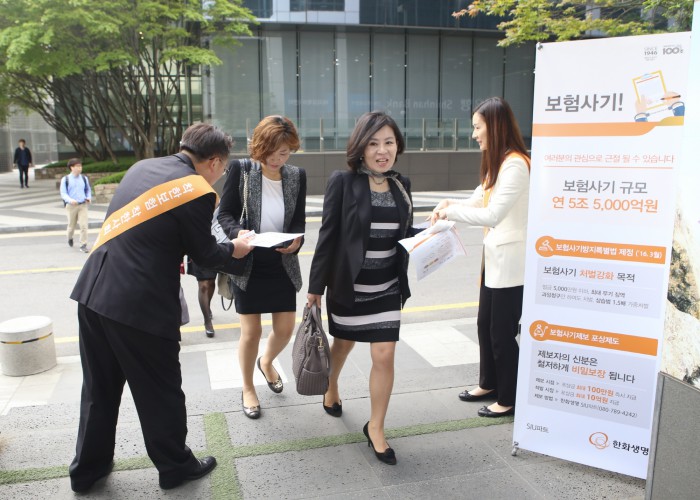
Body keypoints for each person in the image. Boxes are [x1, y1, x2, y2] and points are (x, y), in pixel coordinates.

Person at [68, 123, 253, 492]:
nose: (218, 176)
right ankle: (175, 467)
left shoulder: (142, 167)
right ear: (214, 162)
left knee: (98, 390)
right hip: (140, 306)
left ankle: (87, 471)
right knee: (161, 391)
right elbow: (205, 254)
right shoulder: (196, 190)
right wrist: (237, 248)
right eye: (222, 168)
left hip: (94, 291)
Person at [307, 111, 417, 465]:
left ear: (398, 145)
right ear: (360, 147)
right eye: (374, 144)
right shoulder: (343, 182)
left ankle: (376, 427)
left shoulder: (401, 185)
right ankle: (331, 385)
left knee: (384, 355)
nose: (382, 151)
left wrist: (434, 231)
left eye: (389, 142)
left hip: (387, 287)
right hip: (350, 286)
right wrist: (315, 288)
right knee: (342, 344)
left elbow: (403, 234)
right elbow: (327, 236)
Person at [430, 96, 530, 418]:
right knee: (485, 324)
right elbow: (478, 200)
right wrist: (448, 205)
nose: (474, 134)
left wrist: (451, 213)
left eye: (477, 127)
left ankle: (509, 397)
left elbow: (493, 214)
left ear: (495, 126)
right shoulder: (498, 162)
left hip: (512, 265)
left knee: (501, 332)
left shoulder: (515, 164)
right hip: (494, 261)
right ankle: (489, 383)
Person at [218, 115, 305, 420]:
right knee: (251, 332)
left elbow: (298, 220)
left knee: (285, 329)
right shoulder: (242, 170)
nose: (277, 159)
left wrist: (297, 242)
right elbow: (225, 214)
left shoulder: (296, 175)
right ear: (259, 147)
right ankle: (247, 388)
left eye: (284, 153)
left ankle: (266, 362)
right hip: (248, 263)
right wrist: (237, 233)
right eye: (271, 152)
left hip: (282, 262)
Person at [59, 158, 92, 253]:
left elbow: (88, 190)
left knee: (84, 226)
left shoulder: (84, 178)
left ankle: (83, 244)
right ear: (71, 167)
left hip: (82, 205)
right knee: (71, 226)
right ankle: (70, 237)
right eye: (77, 166)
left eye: (80, 166)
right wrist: (70, 200)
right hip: (71, 206)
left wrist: (88, 197)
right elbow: (63, 193)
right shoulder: (65, 179)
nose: (79, 168)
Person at [186, 256, 217, 337]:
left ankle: (207, 307)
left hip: (214, 251)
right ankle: (207, 321)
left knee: (211, 282)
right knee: (203, 285)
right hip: (197, 250)